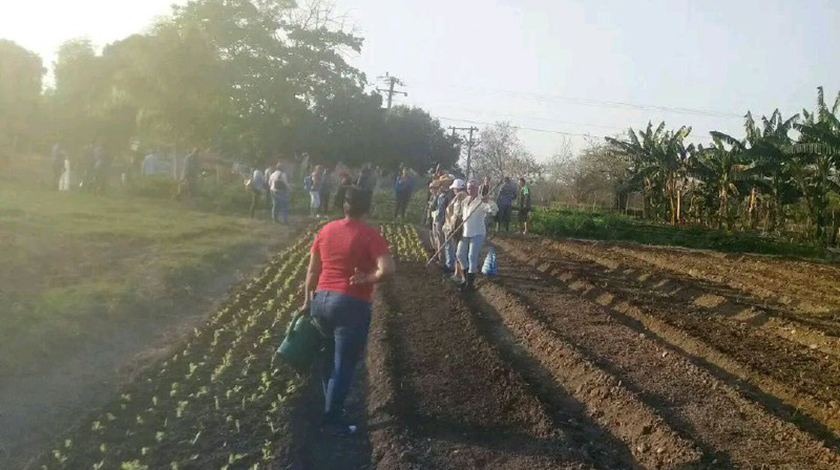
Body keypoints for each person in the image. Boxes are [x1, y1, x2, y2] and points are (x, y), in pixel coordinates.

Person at [304, 187, 396, 434]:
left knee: (328, 359)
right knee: (343, 364)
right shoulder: (369, 235)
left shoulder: (325, 230)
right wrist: (368, 277)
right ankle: (332, 419)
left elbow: (312, 271)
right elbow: (387, 269)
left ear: (343, 207)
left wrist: (306, 302)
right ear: (367, 209)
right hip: (350, 304)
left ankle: (330, 408)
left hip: (320, 301)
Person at [457, 180, 498, 291]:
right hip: (465, 232)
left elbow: (494, 210)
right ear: (467, 189)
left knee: (471, 256)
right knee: (460, 255)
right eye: (469, 188)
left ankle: (470, 284)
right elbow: (461, 215)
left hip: (477, 233)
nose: (471, 190)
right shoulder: (465, 201)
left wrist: (488, 201)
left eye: (474, 188)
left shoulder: (481, 201)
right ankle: (465, 278)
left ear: (477, 188)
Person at [443, 179, 468, 284]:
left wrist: (452, 229)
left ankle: (460, 275)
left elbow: (456, 215)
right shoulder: (463, 196)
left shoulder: (460, 197)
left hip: (457, 229)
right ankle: (457, 273)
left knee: (459, 253)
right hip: (459, 228)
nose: (453, 190)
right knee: (459, 253)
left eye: (454, 188)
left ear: (457, 188)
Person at [432, 178, 455, 271]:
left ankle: (444, 262)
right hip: (437, 219)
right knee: (438, 239)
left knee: (443, 241)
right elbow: (433, 206)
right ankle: (440, 258)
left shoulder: (448, 196)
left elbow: (449, 210)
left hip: (443, 221)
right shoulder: (439, 196)